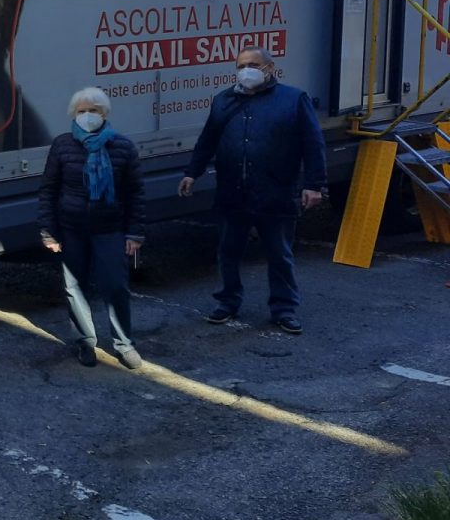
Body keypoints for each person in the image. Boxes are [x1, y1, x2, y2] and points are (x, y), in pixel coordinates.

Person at [178, 46, 326, 334]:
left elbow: (313, 144)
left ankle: (284, 309)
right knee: (228, 251)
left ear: (270, 68)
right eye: (242, 65)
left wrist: (313, 184)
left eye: (254, 64)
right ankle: (227, 302)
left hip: (276, 192)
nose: (247, 70)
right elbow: (207, 140)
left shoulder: (293, 100)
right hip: (234, 193)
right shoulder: (224, 101)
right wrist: (191, 173)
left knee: (279, 254)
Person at [38, 87, 146, 369]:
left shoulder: (122, 147)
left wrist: (135, 233)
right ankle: (85, 342)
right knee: (75, 288)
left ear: (104, 114)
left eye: (93, 110)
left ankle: (124, 344)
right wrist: (48, 231)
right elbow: (48, 190)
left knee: (115, 287)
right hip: (71, 229)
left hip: (110, 230)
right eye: (82, 111)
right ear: (74, 114)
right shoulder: (62, 145)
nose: (87, 116)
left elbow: (136, 193)